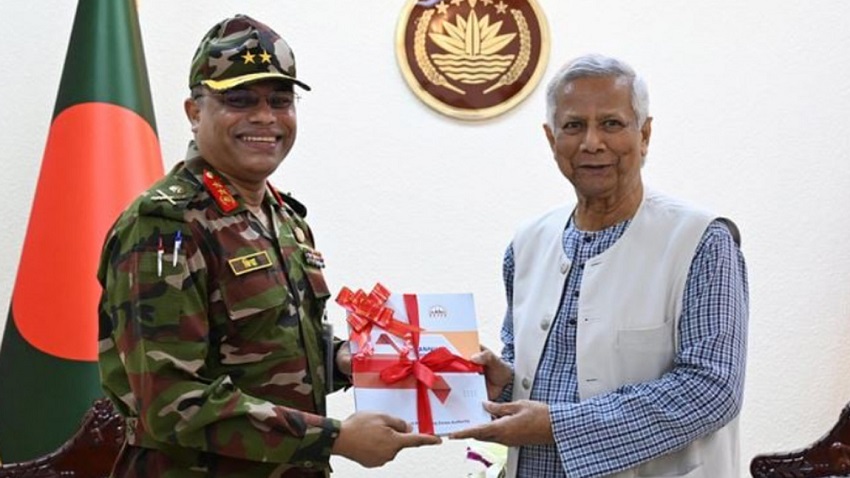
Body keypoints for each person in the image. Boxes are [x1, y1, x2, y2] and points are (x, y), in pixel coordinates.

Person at [97, 14, 440, 478]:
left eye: (281, 101)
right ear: (194, 112)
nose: (265, 117)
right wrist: (335, 437)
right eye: (239, 100)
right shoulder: (165, 225)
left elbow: (267, 348)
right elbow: (171, 400)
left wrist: (342, 359)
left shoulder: (284, 218)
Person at [451, 54, 749, 478]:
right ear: (551, 139)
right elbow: (533, 366)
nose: (592, 142)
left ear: (644, 135)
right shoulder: (526, 243)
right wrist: (504, 379)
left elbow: (711, 390)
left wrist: (559, 427)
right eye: (573, 126)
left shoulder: (701, 242)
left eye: (611, 123)